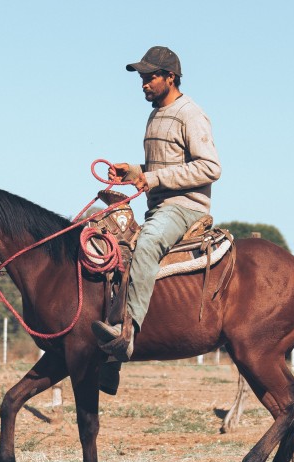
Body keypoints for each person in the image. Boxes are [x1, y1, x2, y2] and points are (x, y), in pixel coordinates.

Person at [92, 45, 221, 377]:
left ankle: (126, 335)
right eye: (142, 77)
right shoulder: (156, 115)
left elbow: (210, 167)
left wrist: (152, 177)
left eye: (150, 77)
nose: (144, 83)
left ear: (171, 77)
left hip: (184, 209)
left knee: (146, 244)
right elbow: (166, 163)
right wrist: (134, 172)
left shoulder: (191, 114)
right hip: (159, 206)